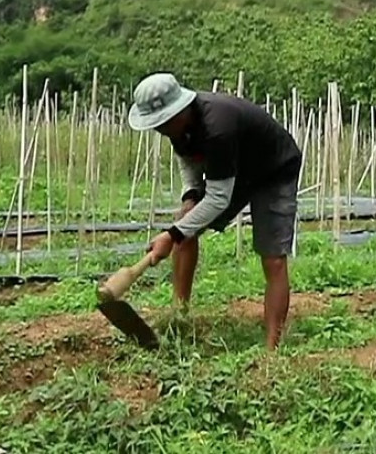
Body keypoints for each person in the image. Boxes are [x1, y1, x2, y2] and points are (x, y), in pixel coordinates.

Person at [127, 72, 303, 350]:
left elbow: (219, 199)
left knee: (273, 258)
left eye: (163, 122)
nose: (160, 129)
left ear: (180, 110)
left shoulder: (217, 126)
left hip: (273, 170)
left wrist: (171, 236)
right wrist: (191, 196)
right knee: (186, 222)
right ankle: (180, 317)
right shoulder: (175, 127)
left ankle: (272, 349)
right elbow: (189, 163)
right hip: (234, 170)